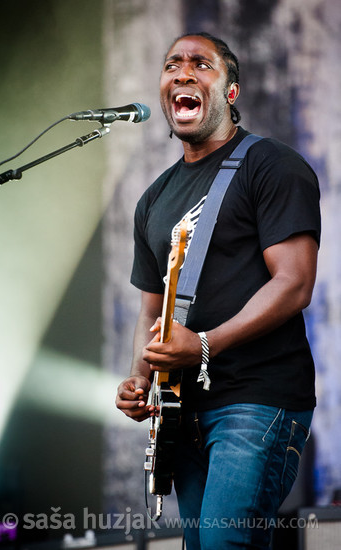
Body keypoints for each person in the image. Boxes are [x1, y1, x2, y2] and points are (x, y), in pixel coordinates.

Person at [115, 31, 321, 550]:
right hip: (182, 409)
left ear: (230, 92)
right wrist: (140, 377)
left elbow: (295, 284)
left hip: (256, 399)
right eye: (171, 64)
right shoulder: (153, 198)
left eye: (200, 65)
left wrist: (203, 343)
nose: (182, 72)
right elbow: (149, 310)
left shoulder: (270, 164)